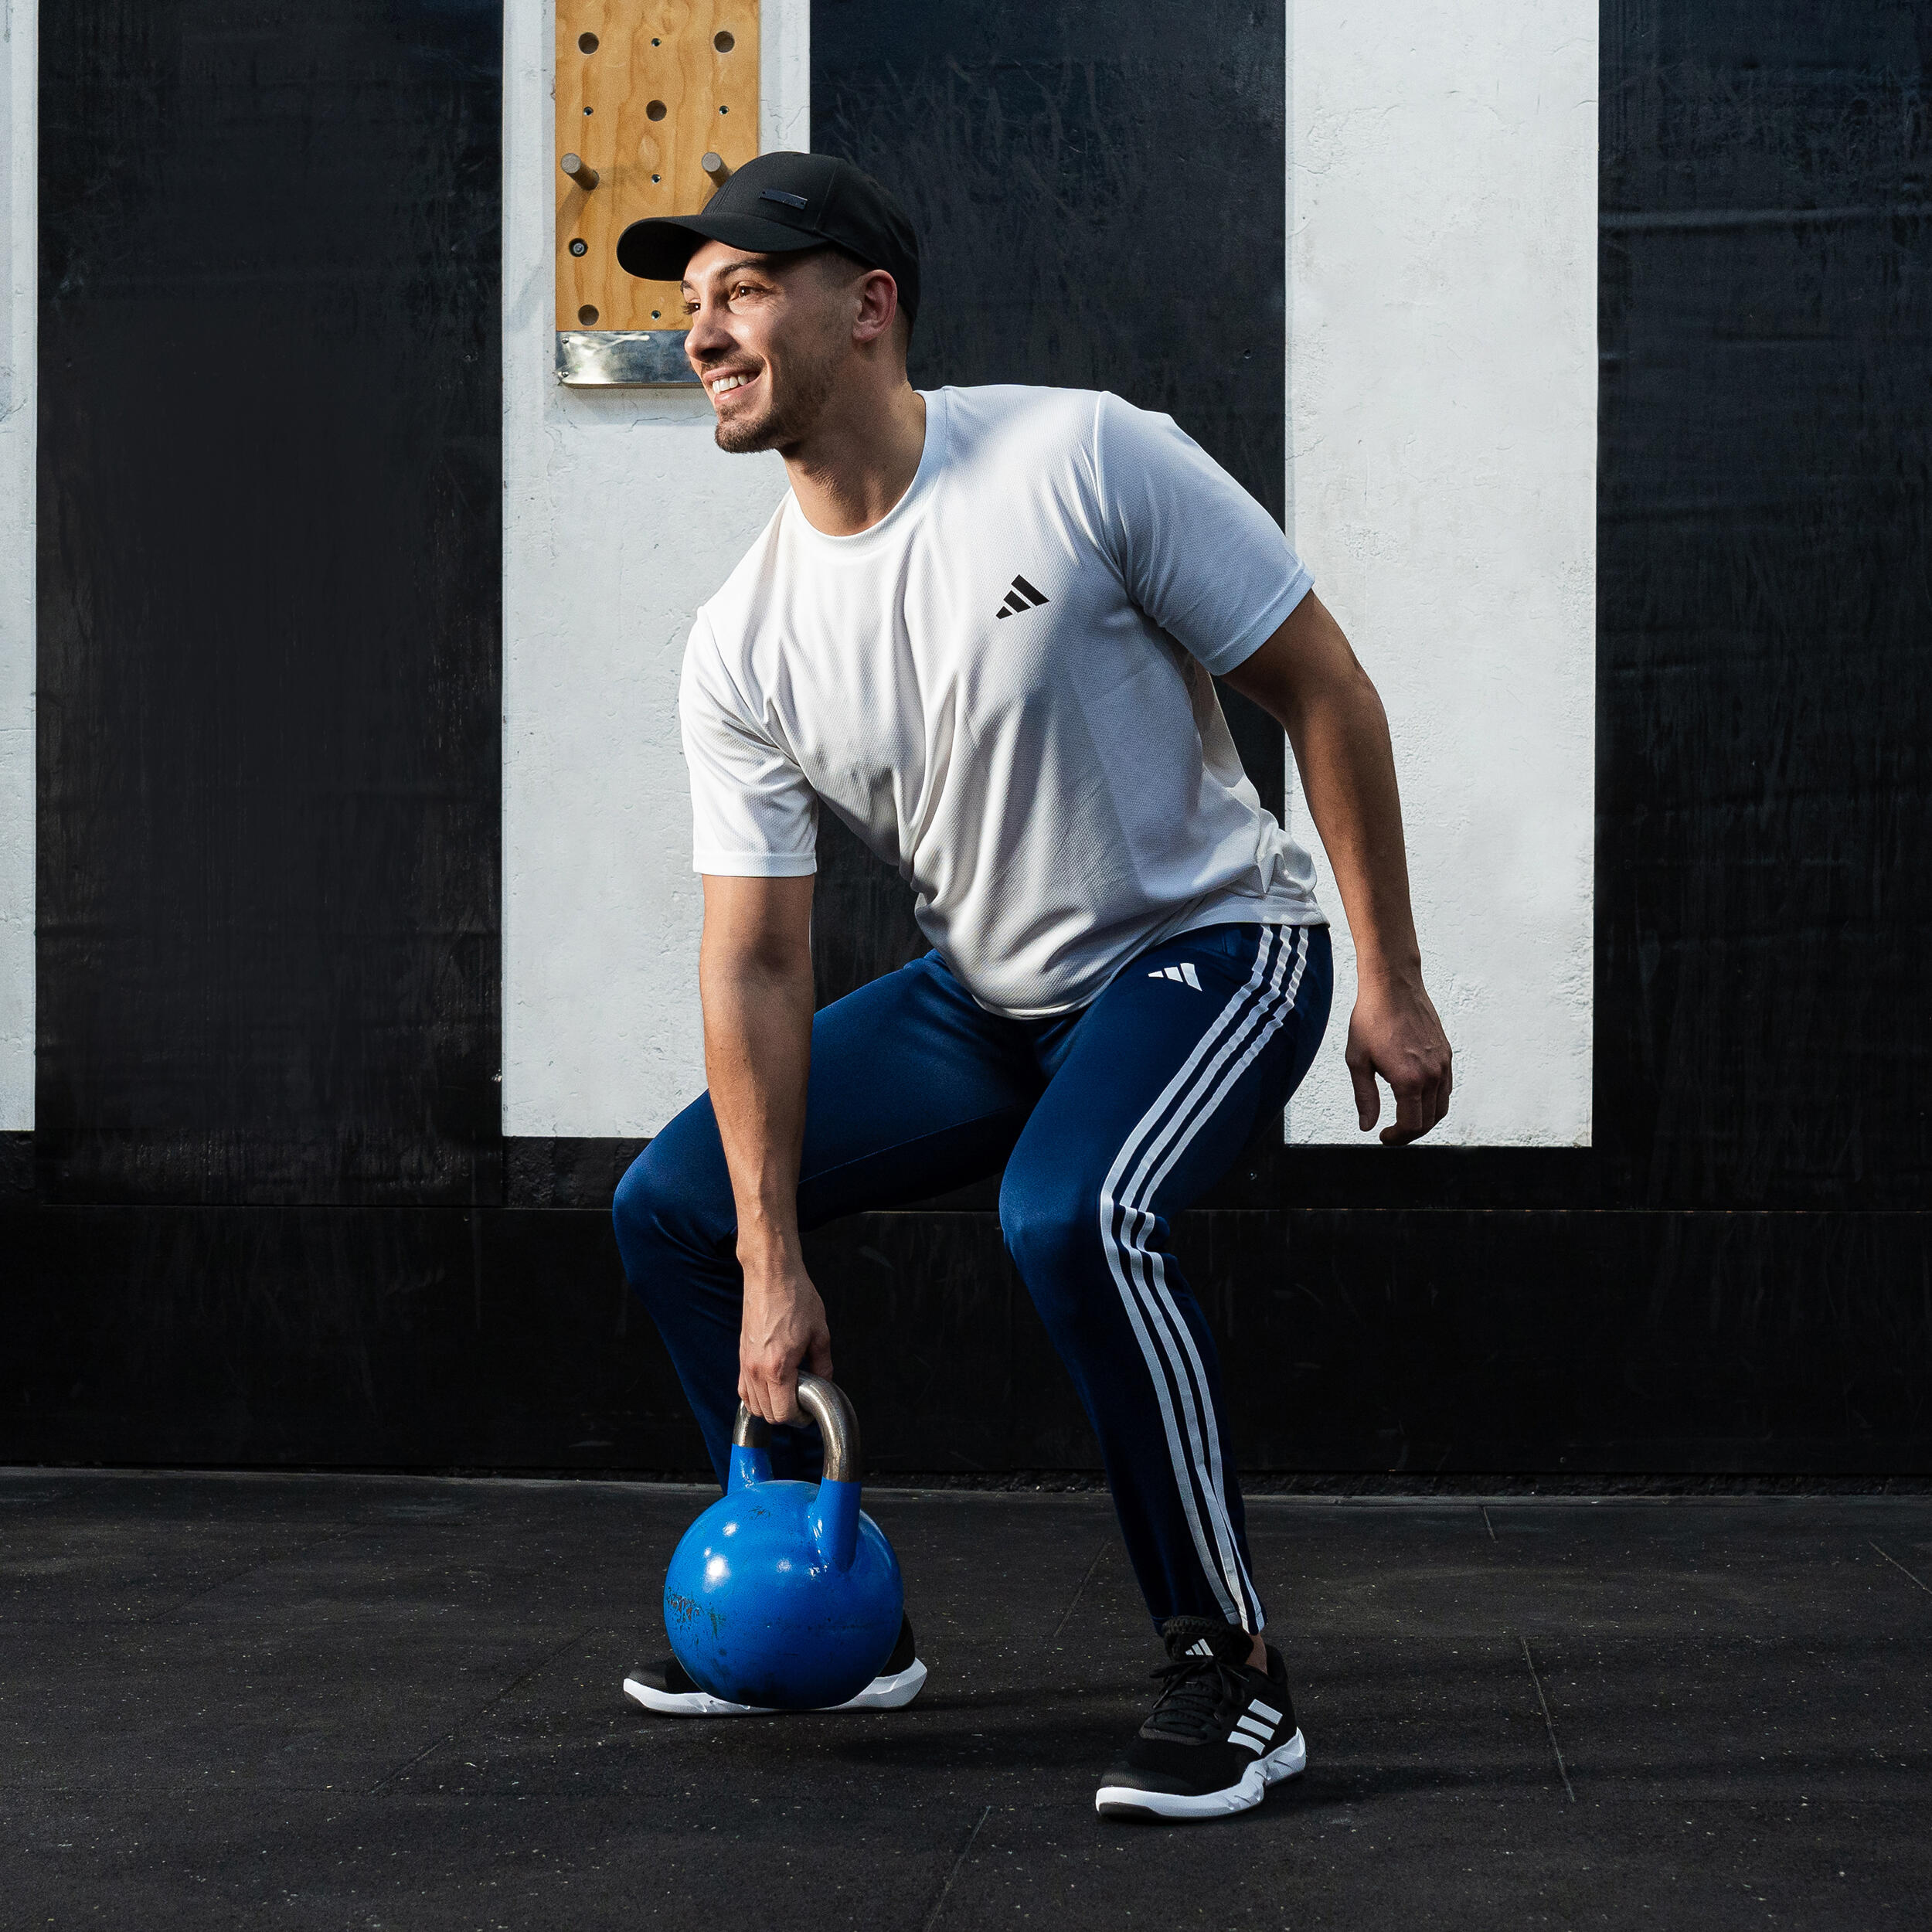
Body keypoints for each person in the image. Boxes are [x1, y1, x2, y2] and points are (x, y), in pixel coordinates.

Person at [609, 151, 1451, 1821]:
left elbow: (1324, 689)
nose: (703, 332)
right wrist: (772, 1261)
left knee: (1070, 1214)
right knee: (678, 1207)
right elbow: (755, 954)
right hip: (986, 1001)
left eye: (743, 291)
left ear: (868, 305)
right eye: (691, 303)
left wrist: (1393, 979)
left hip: (1210, 949)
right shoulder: (742, 639)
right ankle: (817, 1606)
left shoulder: (1079, 457)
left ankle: (1231, 1668)